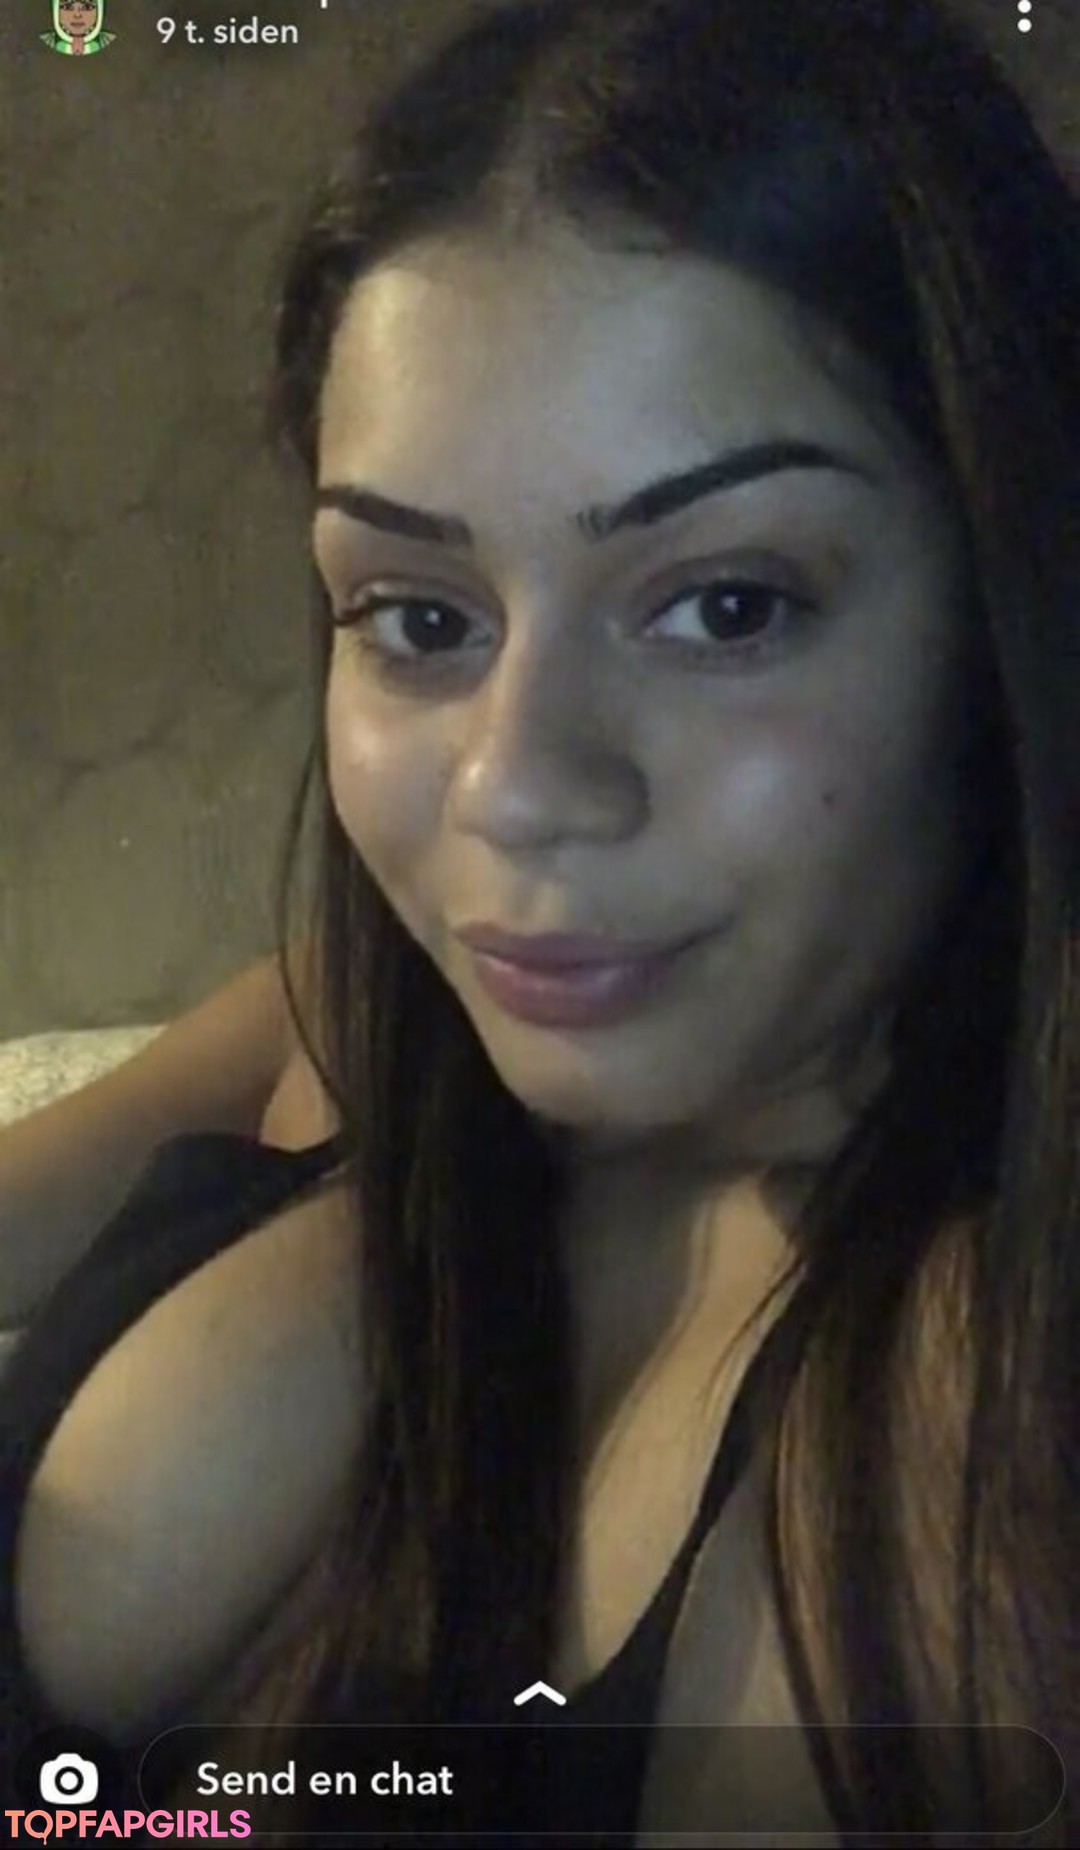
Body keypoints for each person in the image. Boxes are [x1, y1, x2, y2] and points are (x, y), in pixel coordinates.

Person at [2, 0, 1078, 1841]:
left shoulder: (957, 1465)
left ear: (1003, 611)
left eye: (727, 606)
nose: (511, 784)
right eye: (421, 617)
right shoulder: (364, 1010)